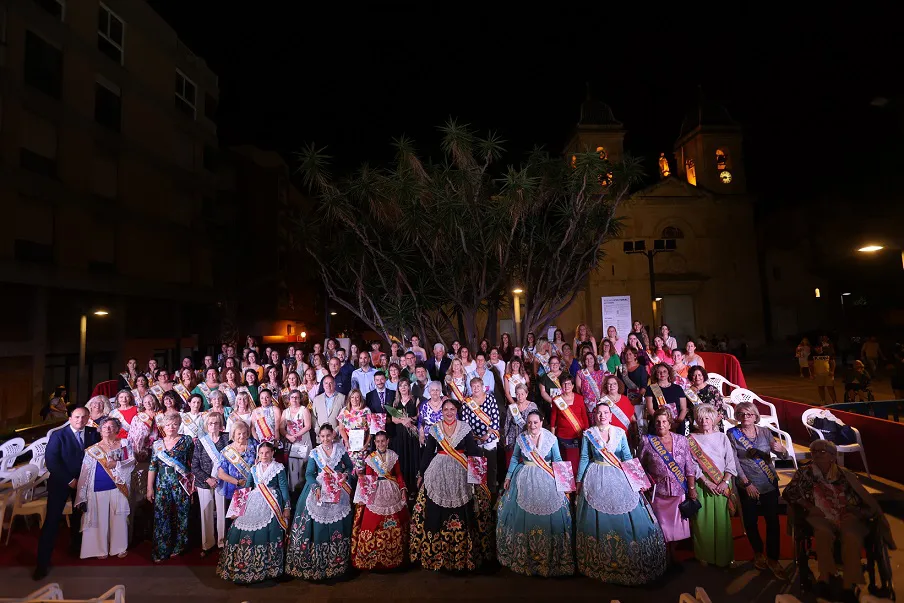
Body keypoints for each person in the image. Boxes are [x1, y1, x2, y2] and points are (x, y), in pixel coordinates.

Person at [783, 439, 893, 601]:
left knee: (851, 536)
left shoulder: (844, 475)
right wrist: (808, 505)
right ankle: (825, 577)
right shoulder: (804, 473)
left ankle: (850, 581)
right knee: (823, 534)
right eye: (814, 452)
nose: (817, 455)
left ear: (832, 457)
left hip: (844, 514)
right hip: (818, 514)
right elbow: (789, 493)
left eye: (822, 451)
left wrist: (854, 512)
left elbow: (858, 499)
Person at [575, 404, 667, 584]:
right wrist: (579, 481)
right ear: (595, 416)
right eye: (599, 413)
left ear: (611, 415)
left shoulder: (619, 432)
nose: (602, 416)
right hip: (596, 476)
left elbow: (626, 457)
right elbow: (585, 457)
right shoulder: (589, 434)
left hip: (619, 476)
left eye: (605, 413)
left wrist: (638, 480)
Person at [410, 399, 493, 571]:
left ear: (457, 410)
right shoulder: (435, 429)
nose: (449, 412)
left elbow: (474, 451)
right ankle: (437, 555)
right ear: (442, 411)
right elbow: (427, 453)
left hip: (461, 472)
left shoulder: (465, 428)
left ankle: (465, 554)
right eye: (446, 409)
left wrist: (480, 474)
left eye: (452, 409)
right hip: (438, 471)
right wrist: (421, 473)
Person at [497, 410, 574, 577]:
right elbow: (514, 458)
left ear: (542, 421)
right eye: (530, 422)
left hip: (547, 477)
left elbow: (558, 460)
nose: (532, 425)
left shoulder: (551, 439)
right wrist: (508, 476)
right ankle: (525, 557)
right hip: (524, 477)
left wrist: (564, 483)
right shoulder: (521, 438)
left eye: (536, 422)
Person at [34, 407, 99, 580]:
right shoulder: (58, 435)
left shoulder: (93, 433)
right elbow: (52, 462)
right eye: (77, 417)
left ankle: (76, 549)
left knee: (79, 517)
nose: (80, 420)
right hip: (61, 483)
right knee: (52, 521)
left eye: (84, 416)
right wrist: (70, 481)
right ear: (70, 418)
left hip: (84, 484)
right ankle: (42, 564)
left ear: (88, 418)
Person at [285, 424, 356, 580]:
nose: (325, 439)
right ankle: (317, 559)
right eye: (322, 436)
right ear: (319, 437)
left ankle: (338, 560)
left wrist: (344, 475)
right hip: (319, 488)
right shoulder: (315, 453)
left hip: (338, 487)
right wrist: (316, 487)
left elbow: (350, 467)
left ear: (333, 436)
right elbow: (310, 474)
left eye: (328, 436)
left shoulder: (340, 449)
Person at [728, 401, 788, 579]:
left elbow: (780, 454)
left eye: (749, 414)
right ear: (737, 417)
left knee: (773, 521)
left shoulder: (764, 431)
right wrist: (746, 483)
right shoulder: (732, 434)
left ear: (755, 416)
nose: (746, 417)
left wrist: (782, 450)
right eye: (742, 414)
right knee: (751, 521)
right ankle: (758, 553)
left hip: (768, 482)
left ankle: (773, 558)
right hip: (748, 484)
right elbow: (734, 461)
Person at [216, 441, 290, 584]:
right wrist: (236, 509)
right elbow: (247, 488)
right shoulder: (254, 469)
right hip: (253, 500)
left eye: (267, 452)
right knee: (242, 526)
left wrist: (286, 507)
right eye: (261, 453)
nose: (264, 455)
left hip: (271, 501)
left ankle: (267, 567)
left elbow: (284, 489)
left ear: (272, 453)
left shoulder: (278, 468)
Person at [74, 417, 135, 560]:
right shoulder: (93, 450)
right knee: (98, 519)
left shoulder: (124, 444)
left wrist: (117, 464)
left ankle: (119, 547)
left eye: (112, 426)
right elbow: (85, 472)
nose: (108, 429)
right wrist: (81, 495)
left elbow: (132, 461)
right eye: (105, 426)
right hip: (97, 486)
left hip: (118, 486)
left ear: (117, 429)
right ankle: (99, 549)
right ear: (100, 430)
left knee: (119, 517)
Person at [638, 408, 698, 550]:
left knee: (677, 530)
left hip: (678, 491)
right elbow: (640, 467)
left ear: (670, 424)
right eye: (658, 422)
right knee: (661, 529)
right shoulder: (646, 441)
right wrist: (645, 484)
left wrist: (691, 488)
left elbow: (689, 467)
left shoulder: (682, 440)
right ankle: (664, 559)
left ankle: (674, 556)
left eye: (664, 421)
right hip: (658, 494)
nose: (661, 424)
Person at [351, 431, 410, 570]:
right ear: (375, 443)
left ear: (388, 441)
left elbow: (399, 474)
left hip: (392, 490)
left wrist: (403, 489)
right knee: (373, 522)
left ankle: (396, 556)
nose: (380, 444)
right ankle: (373, 558)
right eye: (378, 441)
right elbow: (369, 479)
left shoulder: (393, 455)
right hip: (376, 491)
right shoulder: (371, 458)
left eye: (383, 441)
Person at [688, 404, 738, 568]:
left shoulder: (722, 437)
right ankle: (704, 555)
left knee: (722, 523)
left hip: (722, 485)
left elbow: (730, 461)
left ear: (713, 419)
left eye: (707, 418)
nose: (704, 421)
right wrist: (706, 481)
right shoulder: (691, 439)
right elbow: (692, 465)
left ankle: (725, 557)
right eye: (701, 418)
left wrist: (725, 482)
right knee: (702, 522)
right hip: (703, 485)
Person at [146, 413, 194, 563]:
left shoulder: (186, 440)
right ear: (163, 427)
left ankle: (180, 546)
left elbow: (192, 464)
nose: (171, 427)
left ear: (179, 425)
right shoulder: (157, 444)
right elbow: (152, 467)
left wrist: (193, 486)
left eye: (174, 424)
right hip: (162, 482)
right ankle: (161, 548)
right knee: (161, 514)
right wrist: (149, 488)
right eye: (167, 425)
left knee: (182, 513)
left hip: (181, 481)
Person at [191, 412, 229, 556]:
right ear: (206, 425)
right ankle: (207, 544)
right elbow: (194, 466)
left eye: (216, 423)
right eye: (210, 423)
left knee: (221, 511)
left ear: (220, 425)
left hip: (222, 481)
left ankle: (222, 542)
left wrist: (221, 478)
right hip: (204, 482)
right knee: (205, 512)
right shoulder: (201, 442)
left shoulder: (226, 439)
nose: (213, 426)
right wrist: (208, 479)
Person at [459, 377, 501, 495]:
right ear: (470, 388)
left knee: (491, 467)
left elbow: (495, 417)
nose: (476, 389)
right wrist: (472, 436)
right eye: (473, 386)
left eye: (478, 386)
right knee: (476, 469)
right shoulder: (468, 402)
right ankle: (478, 495)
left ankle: (491, 493)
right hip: (474, 440)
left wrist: (487, 434)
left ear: (483, 387)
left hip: (490, 438)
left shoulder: (490, 398)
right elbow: (465, 421)